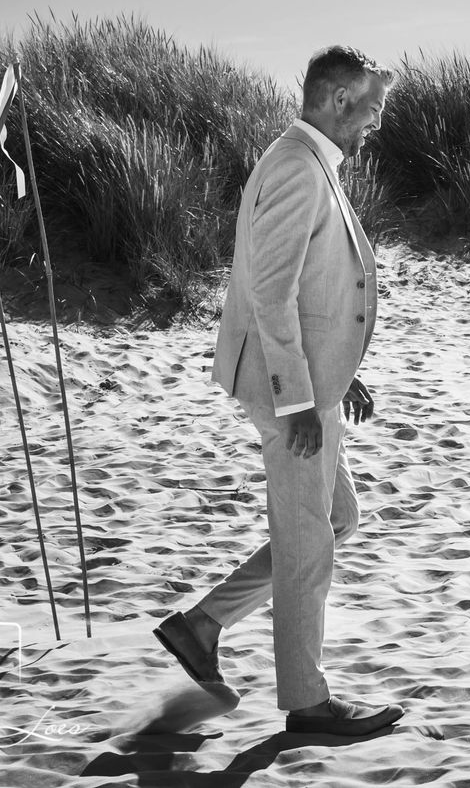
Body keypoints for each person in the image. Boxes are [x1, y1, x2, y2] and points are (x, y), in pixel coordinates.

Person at [154, 45, 404, 737]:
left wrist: (341, 372)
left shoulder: (311, 158)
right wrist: (298, 400)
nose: (374, 126)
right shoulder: (298, 166)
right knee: (306, 545)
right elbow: (272, 292)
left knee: (336, 520)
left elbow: (315, 289)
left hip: (310, 386)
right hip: (286, 392)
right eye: (370, 111)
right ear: (336, 100)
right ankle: (306, 702)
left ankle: (202, 626)